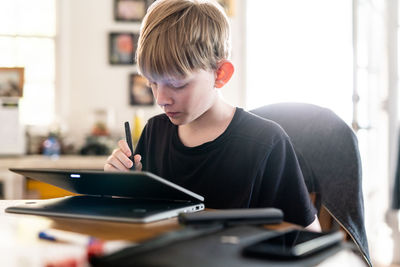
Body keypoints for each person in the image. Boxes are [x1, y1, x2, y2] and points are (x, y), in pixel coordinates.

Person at [104, 0, 321, 231]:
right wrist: (123, 189)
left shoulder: (266, 142)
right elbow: (144, 220)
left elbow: (307, 235)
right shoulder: (155, 132)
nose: (161, 99)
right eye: (152, 83)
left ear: (220, 74)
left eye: (177, 84)